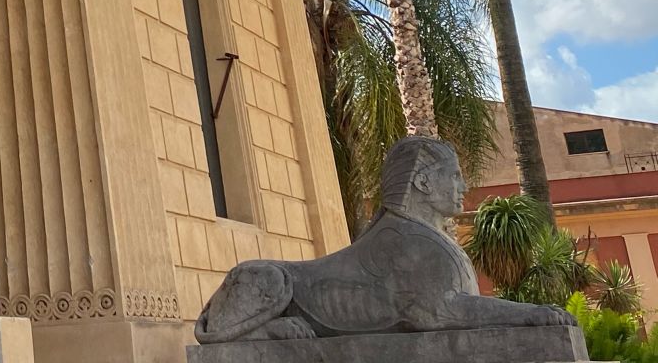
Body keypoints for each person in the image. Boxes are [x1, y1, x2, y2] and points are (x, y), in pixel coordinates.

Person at [195, 136, 576, 342]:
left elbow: (457, 307)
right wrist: (531, 314)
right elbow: (441, 312)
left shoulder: (420, 240)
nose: (463, 185)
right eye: (454, 175)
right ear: (422, 181)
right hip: (275, 290)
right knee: (269, 277)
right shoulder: (403, 242)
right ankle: (255, 330)